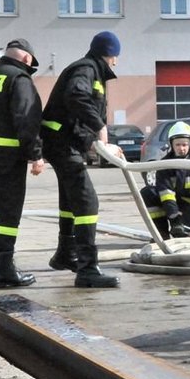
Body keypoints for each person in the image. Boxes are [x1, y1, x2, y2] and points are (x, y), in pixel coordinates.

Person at [40, 31, 124, 288]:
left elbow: (76, 116)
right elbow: (76, 97)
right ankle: (87, 268)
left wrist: (99, 144)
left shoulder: (91, 71)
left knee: (71, 199)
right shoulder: (86, 69)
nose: (116, 62)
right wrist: (100, 128)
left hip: (63, 142)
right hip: (61, 143)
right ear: (110, 54)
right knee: (87, 201)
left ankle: (65, 253)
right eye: (116, 56)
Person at [0, 39, 45, 288]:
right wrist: (35, 154)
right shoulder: (19, 79)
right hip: (7, 159)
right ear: (26, 58)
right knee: (9, 216)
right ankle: (4, 269)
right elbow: (26, 119)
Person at [139, 121, 190, 239]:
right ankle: (161, 233)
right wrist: (175, 219)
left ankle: (183, 229)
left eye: (185, 145)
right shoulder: (164, 166)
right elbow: (167, 195)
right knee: (148, 192)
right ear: (171, 145)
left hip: (188, 203)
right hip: (169, 204)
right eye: (178, 145)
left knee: (186, 236)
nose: (181, 148)